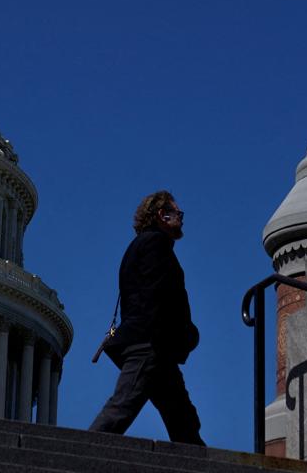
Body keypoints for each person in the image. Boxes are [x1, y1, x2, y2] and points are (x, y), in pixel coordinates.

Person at [89, 190, 203, 445]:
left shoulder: (141, 246)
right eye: (178, 213)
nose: (182, 219)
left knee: (183, 420)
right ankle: (75, 457)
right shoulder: (155, 244)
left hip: (157, 348)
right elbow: (158, 296)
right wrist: (185, 333)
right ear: (163, 215)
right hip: (150, 345)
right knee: (119, 411)